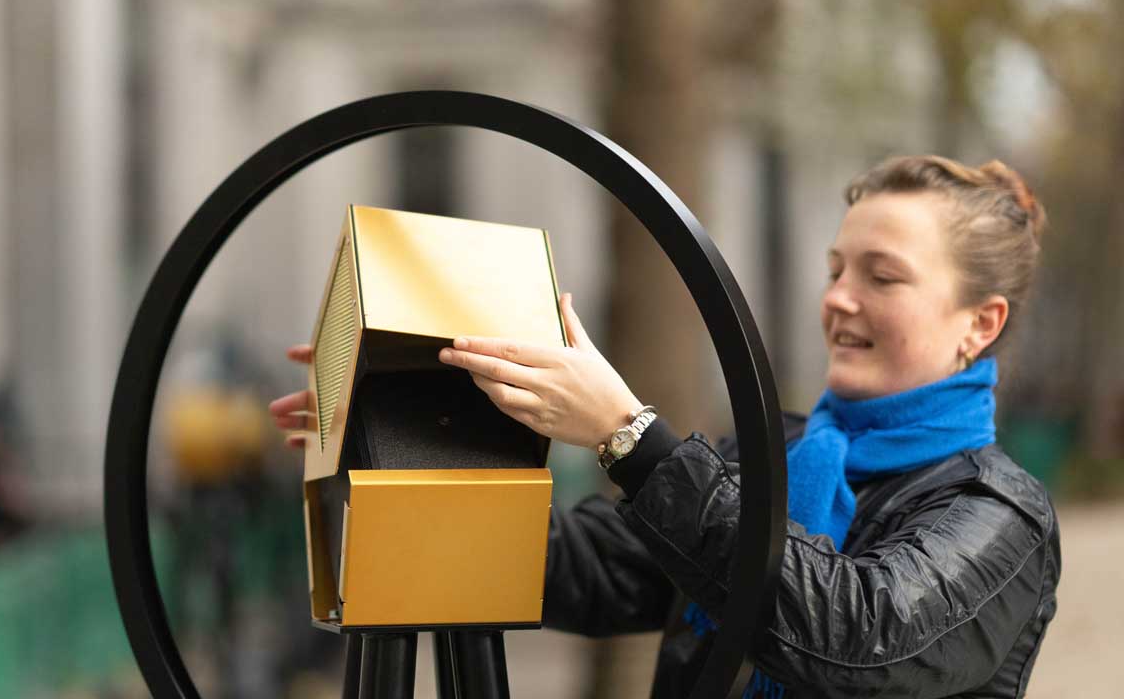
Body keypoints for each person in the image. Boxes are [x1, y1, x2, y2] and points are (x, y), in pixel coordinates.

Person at [269, 155, 1060, 698]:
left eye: (881, 276)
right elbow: (575, 572)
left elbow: (859, 638)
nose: (838, 299)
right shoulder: (770, 455)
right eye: (835, 270)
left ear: (979, 324)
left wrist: (628, 435)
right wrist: (392, 434)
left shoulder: (1000, 516)